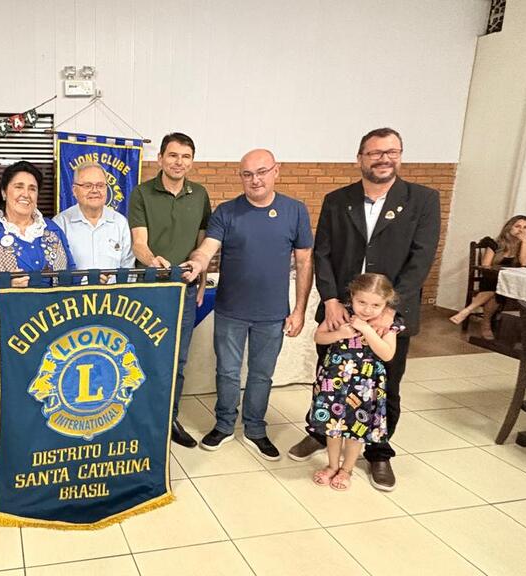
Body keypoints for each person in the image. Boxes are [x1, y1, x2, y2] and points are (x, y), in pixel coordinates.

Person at [287, 127, 441, 492]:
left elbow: (421, 259)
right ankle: (321, 431)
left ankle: (378, 451)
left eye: (392, 151)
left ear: (400, 155)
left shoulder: (422, 199)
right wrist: (329, 301)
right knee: (327, 380)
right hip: (340, 309)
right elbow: (322, 253)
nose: (384, 158)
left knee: (385, 386)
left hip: (390, 313)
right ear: (360, 158)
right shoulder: (338, 200)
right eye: (375, 153)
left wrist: (391, 308)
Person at [182, 149, 313, 460]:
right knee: (227, 371)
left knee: (261, 374)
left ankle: (255, 429)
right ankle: (225, 425)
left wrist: (299, 310)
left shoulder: (294, 211)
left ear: (276, 171)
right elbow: (207, 248)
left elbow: (305, 260)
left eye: (262, 172)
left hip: (272, 314)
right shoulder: (227, 212)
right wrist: (197, 264)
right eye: (248, 174)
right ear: (240, 176)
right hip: (230, 311)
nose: (255, 179)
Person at [0, 161, 75, 497]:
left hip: (49, 337)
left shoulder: (52, 231)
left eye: (32, 188)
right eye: (19, 187)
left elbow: (70, 277)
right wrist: (4, 290)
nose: (26, 194)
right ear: (4, 192)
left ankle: (36, 469)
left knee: (43, 403)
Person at [128, 132, 212, 448]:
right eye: (173, 155)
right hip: (149, 287)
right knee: (144, 356)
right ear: (161, 158)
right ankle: (140, 418)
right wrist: (153, 261)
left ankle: (168, 420)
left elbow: (204, 244)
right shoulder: (141, 193)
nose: (179, 162)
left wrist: (202, 281)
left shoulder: (200, 194)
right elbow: (139, 242)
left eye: (185, 156)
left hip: (185, 290)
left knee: (177, 359)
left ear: (192, 161)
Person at [310, 273, 402, 491]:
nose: (368, 309)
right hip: (335, 381)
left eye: (376, 305)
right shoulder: (341, 314)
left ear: (386, 304)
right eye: (362, 302)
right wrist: (340, 333)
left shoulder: (388, 325)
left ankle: (347, 469)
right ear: (352, 296)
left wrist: (368, 330)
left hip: (365, 386)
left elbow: (388, 354)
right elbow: (318, 336)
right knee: (333, 426)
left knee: (356, 428)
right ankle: (332, 465)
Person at [448, 215, 526, 339]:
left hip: (513, 283)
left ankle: (469, 311)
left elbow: (525, 263)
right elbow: (486, 265)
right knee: (497, 289)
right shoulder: (495, 243)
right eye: (517, 226)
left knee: (499, 289)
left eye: (525, 227)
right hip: (491, 279)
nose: (521, 230)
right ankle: (485, 323)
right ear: (509, 227)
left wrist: (525, 242)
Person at [53, 161, 135, 280]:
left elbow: (129, 269)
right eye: (87, 185)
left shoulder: (120, 223)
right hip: (73, 297)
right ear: (75, 191)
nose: (95, 190)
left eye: (100, 185)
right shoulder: (60, 224)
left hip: (115, 296)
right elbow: (56, 273)